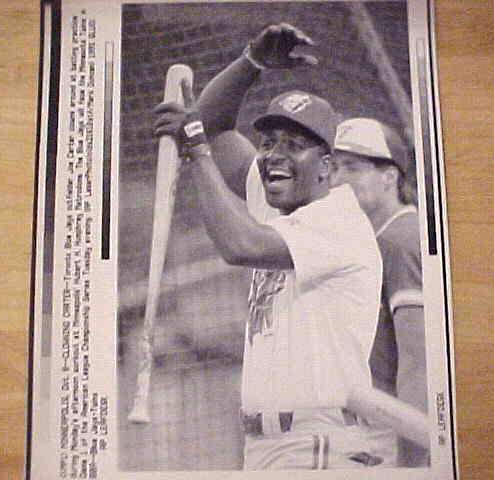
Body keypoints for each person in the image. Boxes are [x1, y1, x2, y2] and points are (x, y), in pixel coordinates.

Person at [153, 23, 394, 470]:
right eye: (268, 143)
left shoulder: (338, 220)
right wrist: (251, 63)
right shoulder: (279, 201)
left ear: (327, 166)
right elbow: (215, 126)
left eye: (295, 145)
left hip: (318, 444)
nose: (275, 154)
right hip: (268, 447)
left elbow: (239, 245)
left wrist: (197, 151)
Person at [329, 117, 428, 467]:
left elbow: (419, 362)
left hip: (392, 438)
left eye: (353, 168)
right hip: (371, 429)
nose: (338, 179)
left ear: (390, 177)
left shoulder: (400, 240)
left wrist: (416, 462)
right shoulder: (376, 240)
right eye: (335, 167)